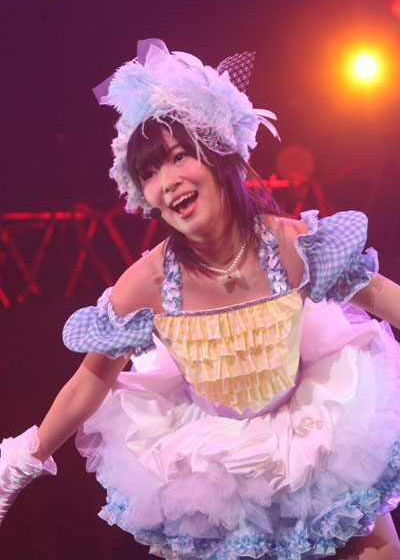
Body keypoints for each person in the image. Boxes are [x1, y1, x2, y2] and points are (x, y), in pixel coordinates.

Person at [1, 39, 400, 560]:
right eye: (149, 174)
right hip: (216, 465)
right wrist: (19, 463)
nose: (167, 182)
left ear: (216, 155)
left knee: (380, 549)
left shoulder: (291, 245)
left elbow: (382, 296)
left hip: (311, 427)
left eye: (178, 157)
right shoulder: (146, 282)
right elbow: (88, 383)